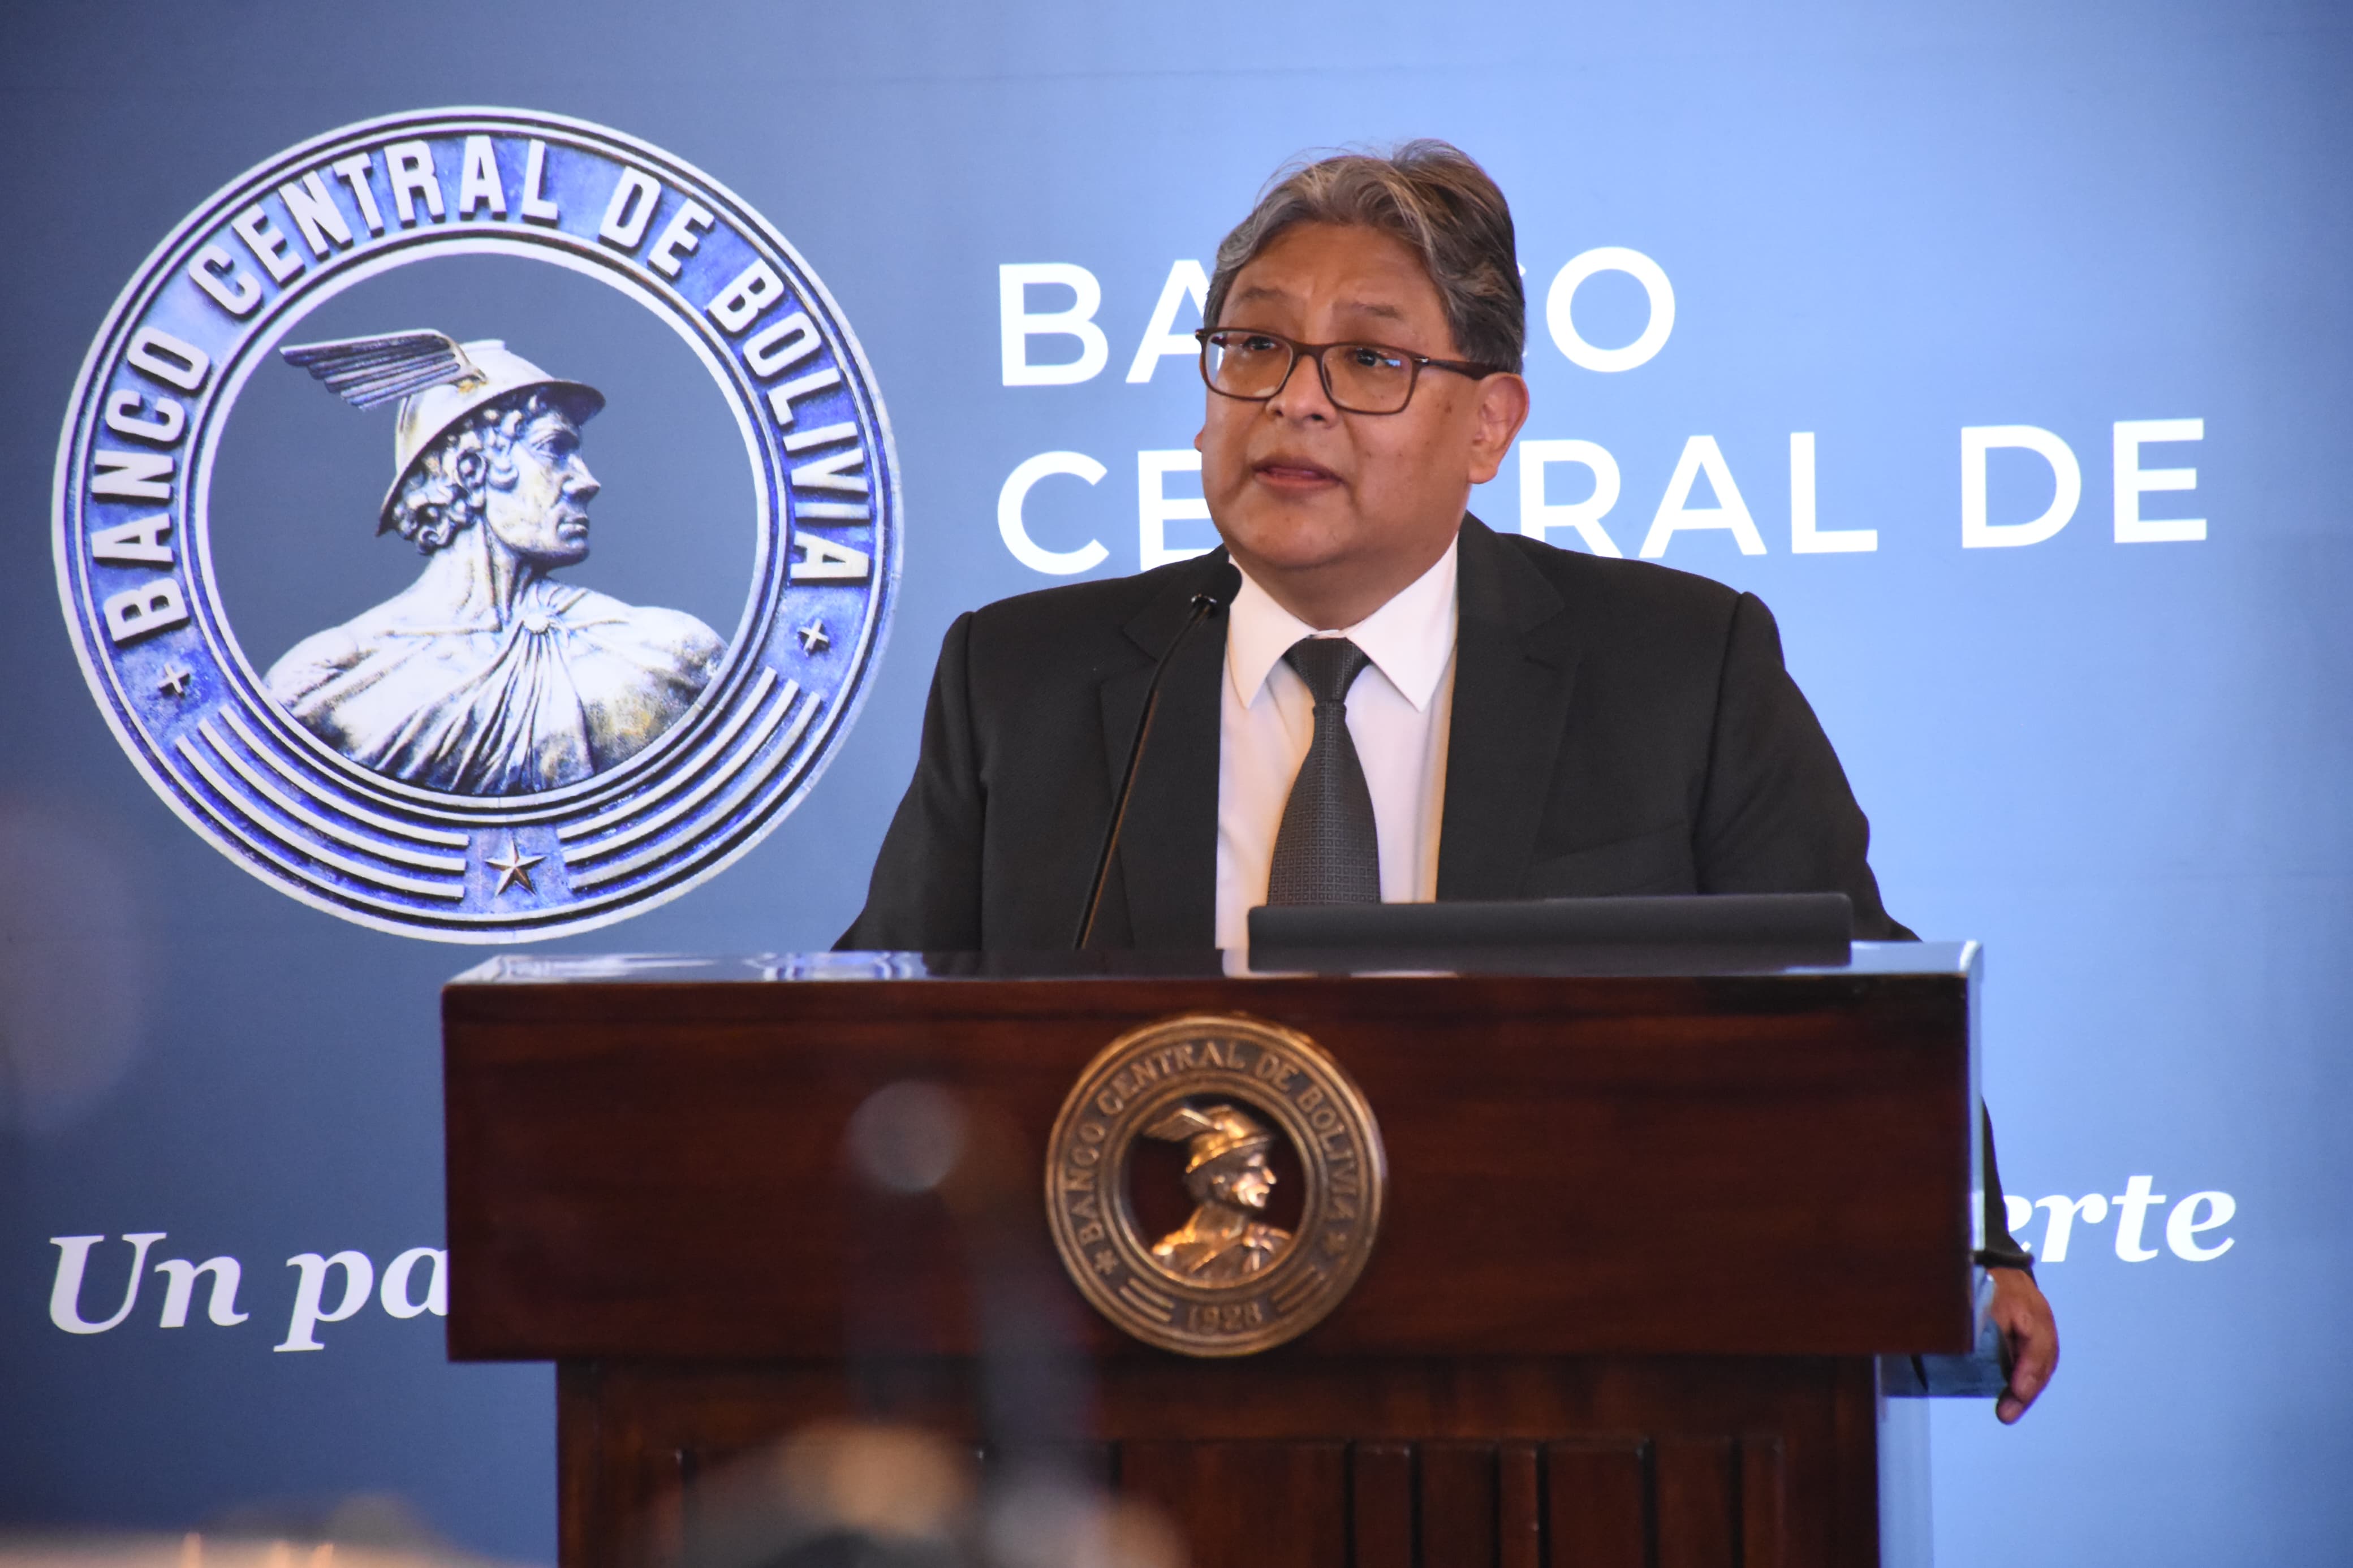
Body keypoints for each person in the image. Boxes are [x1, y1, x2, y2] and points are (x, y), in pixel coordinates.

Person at [842, 142, 2056, 1421]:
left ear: (1489, 424)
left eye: (1369, 360)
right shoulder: (1026, 679)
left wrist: (1976, 1245)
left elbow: (1854, 992)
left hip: (1563, 1402)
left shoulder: (1678, 667)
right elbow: (870, 1033)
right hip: (1137, 1398)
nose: (1294, 402)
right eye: (1255, 345)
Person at [267, 334, 726, 796]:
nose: (587, 481)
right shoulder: (330, 683)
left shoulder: (666, 655)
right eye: (555, 448)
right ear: (470, 469)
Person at [1141, 1103, 1292, 1284]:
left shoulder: (1275, 1248)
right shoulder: (1169, 1257)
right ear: (1218, 1180)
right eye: (1254, 1169)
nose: (1271, 1179)